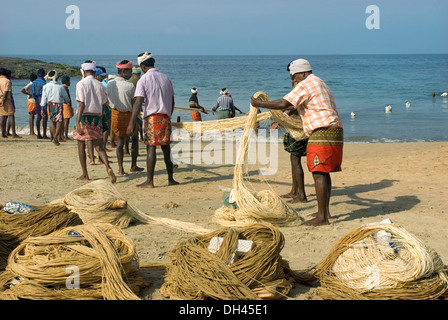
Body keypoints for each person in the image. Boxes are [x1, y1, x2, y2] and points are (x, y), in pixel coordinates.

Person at [251, 58, 343, 226]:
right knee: (323, 172)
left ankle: (322, 218)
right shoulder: (320, 82)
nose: (293, 80)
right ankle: (325, 212)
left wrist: (260, 103)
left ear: (301, 73)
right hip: (334, 128)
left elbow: (284, 103)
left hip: (322, 130)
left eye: (294, 76)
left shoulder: (307, 83)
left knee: (318, 172)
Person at [127, 52, 178, 188]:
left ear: (143, 67)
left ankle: (149, 181)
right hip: (165, 117)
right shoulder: (166, 78)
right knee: (166, 148)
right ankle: (171, 179)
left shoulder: (143, 80)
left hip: (152, 118)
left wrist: (131, 123)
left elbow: (138, 102)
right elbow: (172, 101)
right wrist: (168, 115)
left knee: (151, 148)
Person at [73, 60, 116, 183]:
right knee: (99, 146)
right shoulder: (100, 85)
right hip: (97, 117)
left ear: (84, 71)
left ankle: (85, 174)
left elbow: (81, 103)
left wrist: (77, 122)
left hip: (84, 116)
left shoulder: (81, 84)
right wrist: (101, 118)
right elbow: (103, 104)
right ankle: (108, 167)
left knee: (81, 146)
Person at [107, 60, 144, 175]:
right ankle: (133, 166)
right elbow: (134, 102)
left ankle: (120, 169)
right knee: (134, 140)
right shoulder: (129, 86)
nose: (131, 74)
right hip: (129, 115)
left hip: (115, 114)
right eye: (129, 71)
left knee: (120, 142)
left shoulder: (110, 84)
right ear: (124, 71)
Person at [40, 70, 71, 145]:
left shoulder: (45, 86)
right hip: (58, 104)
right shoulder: (60, 87)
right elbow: (67, 98)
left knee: (52, 121)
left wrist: (42, 109)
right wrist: (68, 103)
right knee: (59, 122)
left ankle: (55, 137)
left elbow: (43, 99)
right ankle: (55, 137)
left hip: (50, 104)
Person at [32, 68, 49, 139]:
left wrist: (35, 98)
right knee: (45, 117)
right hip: (43, 99)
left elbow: (33, 93)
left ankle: (38, 134)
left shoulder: (34, 82)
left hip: (37, 99)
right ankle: (44, 134)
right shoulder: (44, 83)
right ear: (44, 74)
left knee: (39, 116)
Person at [0, 68, 15, 138]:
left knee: (2, 116)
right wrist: (3, 100)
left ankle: (3, 133)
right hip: (5, 99)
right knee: (11, 115)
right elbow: (6, 91)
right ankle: (13, 133)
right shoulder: (7, 81)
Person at [61, 75, 74, 141]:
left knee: (62, 121)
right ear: (66, 82)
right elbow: (68, 98)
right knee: (66, 121)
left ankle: (62, 134)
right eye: (69, 81)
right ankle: (65, 135)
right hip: (66, 105)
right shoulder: (65, 88)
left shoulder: (61, 87)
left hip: (61, 105)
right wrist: (70, 105)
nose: (70, 82)